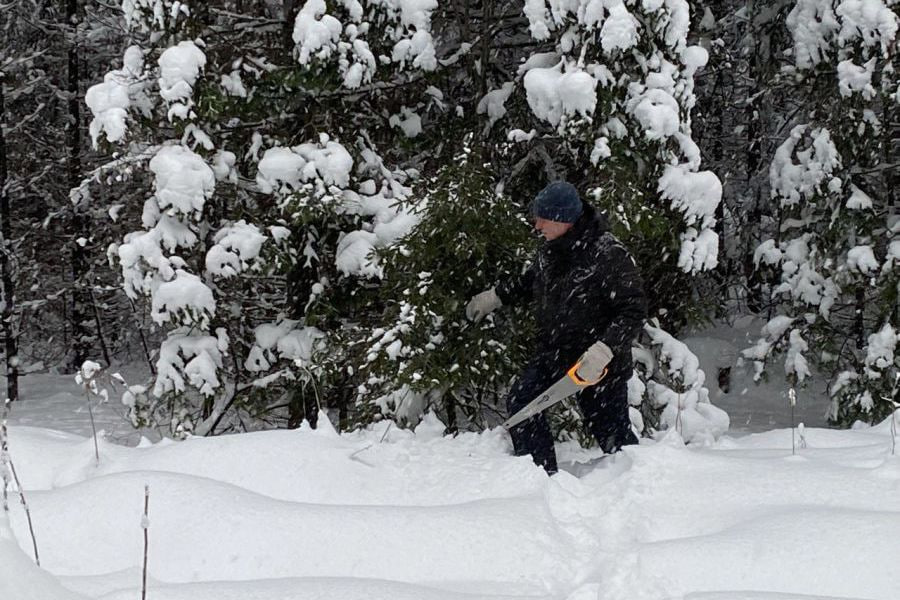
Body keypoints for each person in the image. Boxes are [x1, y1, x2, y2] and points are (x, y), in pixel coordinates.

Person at [466, 181, 647, 474]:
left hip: (598, 364)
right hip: (556, 354)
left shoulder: (608, 253)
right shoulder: (550, 251)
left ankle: (641, 486)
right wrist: (496, 297)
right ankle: (539, 478)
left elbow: (633, 310)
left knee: (613, 436)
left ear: (564, 219)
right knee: (524, 404)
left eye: (543, 219)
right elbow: (531, 282)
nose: (537, 225)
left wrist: (604, 350)